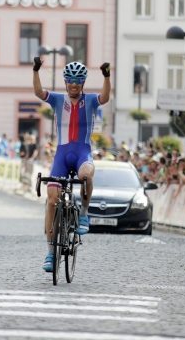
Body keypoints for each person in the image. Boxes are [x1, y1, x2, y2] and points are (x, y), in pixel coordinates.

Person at [33, 57, 111, 272]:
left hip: (82, 153)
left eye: (77, 82)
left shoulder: (91, 100)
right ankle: (50, 252)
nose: (74, 85)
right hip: (62, 154)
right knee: (51, 200)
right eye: (70, 82)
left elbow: (105, 97)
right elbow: (40, 93)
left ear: (82, 84)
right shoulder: (58, 99)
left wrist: (106, 77)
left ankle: (84, 213)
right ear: (66, 83)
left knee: (86, 175)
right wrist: (36, 70)